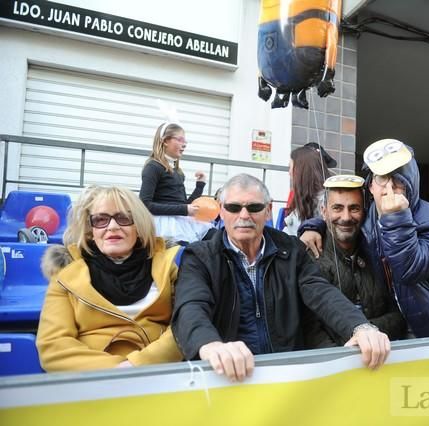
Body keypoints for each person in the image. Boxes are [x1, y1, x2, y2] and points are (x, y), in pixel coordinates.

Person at [171, 174, 390, 382]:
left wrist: (360, 327)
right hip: (227, 378)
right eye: (234, 207)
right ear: (222, 211)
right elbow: (190, 307)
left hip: (288, 381)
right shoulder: (200, 256)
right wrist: (210, 345)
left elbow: (321, 292)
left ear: (268, 211)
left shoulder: (292, 250)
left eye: (254, 207)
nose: (244, 216)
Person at [300, 139, 429, 338]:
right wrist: (313, 227)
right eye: (382, 179)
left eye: (398, 182)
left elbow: (409, 270)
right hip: (413, 321)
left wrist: (396, 216)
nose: (388, 189)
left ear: (410, 186)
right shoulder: (369, 217)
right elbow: (344, 218)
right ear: (371, 186)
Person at [36, 186, 183, 371]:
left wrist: (141, 364)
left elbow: (183, 327)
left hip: (157, 375)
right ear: (91, 230)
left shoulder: (166, 266)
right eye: (101, 219)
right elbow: (53, 347)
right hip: (93, 383)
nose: (112, 226)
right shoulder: (66, 273)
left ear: (139, 226)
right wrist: (117, 371)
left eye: (124, 218)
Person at [306, 174, 406, 346]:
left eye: (354, 208)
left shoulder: (376, 251)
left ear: (364, 212)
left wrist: (367, 332)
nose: (346, 217)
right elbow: (309, 329)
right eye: (337, 208)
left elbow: (399, 318)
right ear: (324, 212)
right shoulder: (310, 256)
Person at [139, 122, 211, 243]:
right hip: (163, 227)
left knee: (214, 238)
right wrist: (184, 209)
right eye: (180, 140)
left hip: (180, 224)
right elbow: (145, 204)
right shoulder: (153, 167)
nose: (184, 145)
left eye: (185, 142)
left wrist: (200, 186)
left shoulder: (177, 172)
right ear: (165, 141)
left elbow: (184, 205)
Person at [283, 143, 335, 236]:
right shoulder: (303, 199)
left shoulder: (325, 201)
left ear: (301, 170)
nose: (289, 173)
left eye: (290, 167)